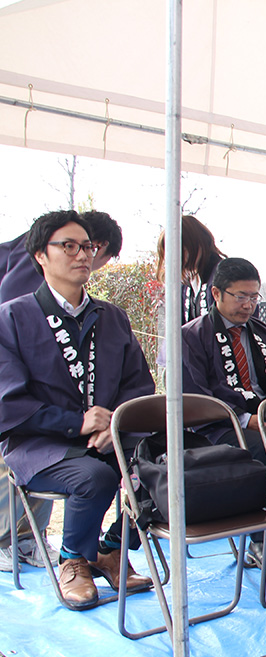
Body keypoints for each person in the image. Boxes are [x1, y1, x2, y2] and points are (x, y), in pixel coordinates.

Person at [0, 210, 154, 608]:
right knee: (94, 477)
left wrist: (115, 422)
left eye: (87, 246)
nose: (82, 254)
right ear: (39, 255)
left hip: (110, 436)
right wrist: (78, 423)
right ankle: (74, 560)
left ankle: (111, 548)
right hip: (41, 442)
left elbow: (139, 385)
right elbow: (8, 403)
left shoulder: (113, 317)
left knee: (165, 469)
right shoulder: (12, 317)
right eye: (67, 246)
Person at [180, 257, 266, 569]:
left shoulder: (263, 333)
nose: (248, 305)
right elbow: (194, 395)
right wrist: (247, 420)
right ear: (216, 293)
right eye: (240, 296)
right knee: (262, 450)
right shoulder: (192, 336)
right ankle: (261, 541)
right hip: (217, 426)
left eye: (254, 297)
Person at [155, 215, 226, 327]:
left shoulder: (223, 275)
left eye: (181, 250)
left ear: (197, 244)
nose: (176, 258)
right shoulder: (185, 282)